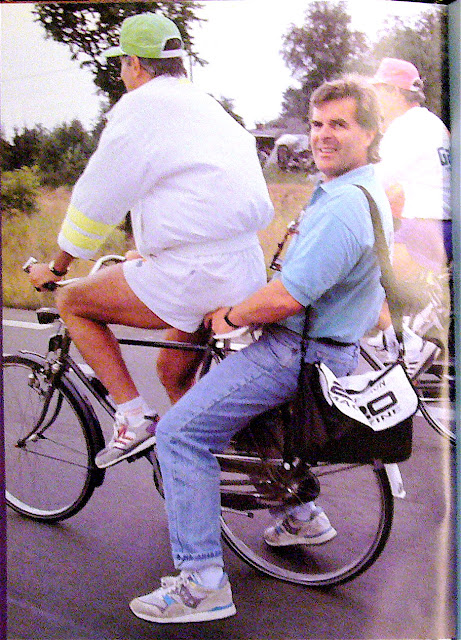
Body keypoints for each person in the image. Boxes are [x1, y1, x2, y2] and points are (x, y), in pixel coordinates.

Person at [124, 76, 393, 624]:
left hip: (295, 353)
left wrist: (231, 315)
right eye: (316, 124)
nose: (323, 135)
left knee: (179, 435)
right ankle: (302, 517)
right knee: (249, 429)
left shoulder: (344, 206)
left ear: (369, 133)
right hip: (327, 348)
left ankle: (202, 583)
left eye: (340, 125)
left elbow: (288, 297)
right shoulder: (362, 191)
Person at [28, 12, 274, 469]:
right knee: (172, 371)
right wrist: (153, 246)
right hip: (242, 266)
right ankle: (229, 468)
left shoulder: (140, 109)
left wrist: (58, 267)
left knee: (72, 302)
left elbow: (96, 199)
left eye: (123, 64)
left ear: (134, 64)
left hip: (194, 275)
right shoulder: (207, 106)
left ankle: (133, 418)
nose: (123, 74)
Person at [368, 57, 452, 363]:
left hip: (425, 227)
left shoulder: (405, 129)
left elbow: (374, 181)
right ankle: (405, 330)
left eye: (379, 90)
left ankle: (408, 341)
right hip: (441, 225)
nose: (374, 98)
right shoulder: (431, 123)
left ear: (394, 92)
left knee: (352, 276)